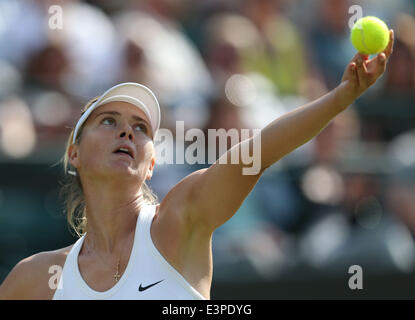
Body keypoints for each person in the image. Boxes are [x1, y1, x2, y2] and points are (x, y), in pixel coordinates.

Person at [0, 31, 394, 300]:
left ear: (151, 163)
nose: (127, 133)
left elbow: (258, 154)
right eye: (109, 121)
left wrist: (341, 98)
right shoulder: (35, 278)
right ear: (74, 153)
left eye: (140, 128)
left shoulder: (180, 218)